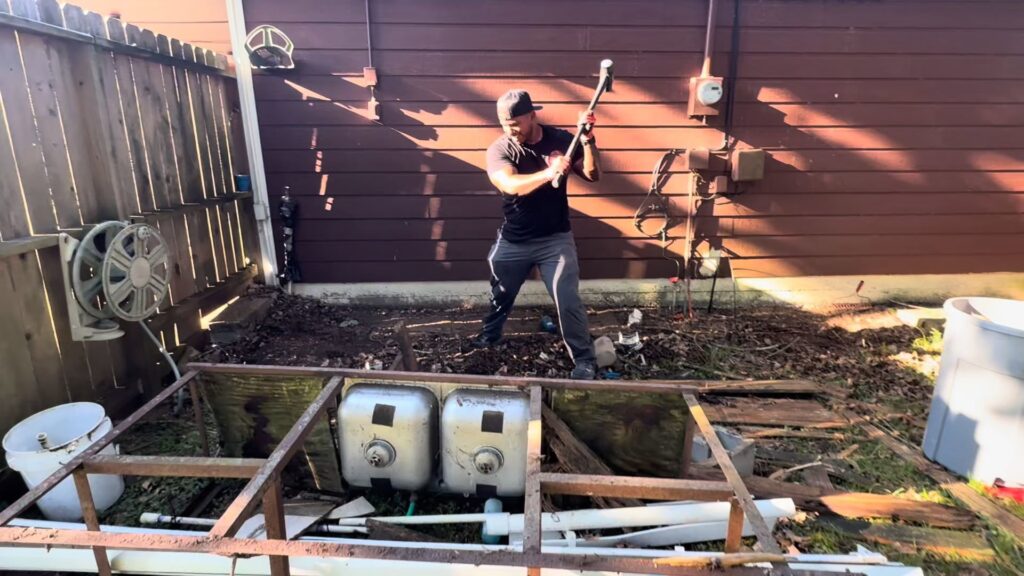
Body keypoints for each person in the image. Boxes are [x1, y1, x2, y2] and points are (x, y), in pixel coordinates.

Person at [470, 89, 602, 380]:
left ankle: (584, 360)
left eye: (515, 123)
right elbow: (509, 185)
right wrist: (550, 171)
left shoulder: (562, 140)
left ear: (532, 115)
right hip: (514, 238)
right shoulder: (500, 148)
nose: (510, 130)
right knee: (501, 295)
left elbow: (592, 174)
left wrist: (587, 142)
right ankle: (489, 336)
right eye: (505, 125)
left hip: (555, 239)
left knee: (567, 299)